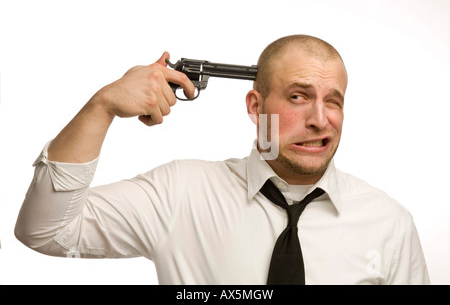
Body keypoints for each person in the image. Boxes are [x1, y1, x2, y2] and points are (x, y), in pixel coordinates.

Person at [14, 35, 430, 284]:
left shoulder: (389, 224)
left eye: (333, 102)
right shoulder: (180, 195)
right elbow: (46, 231)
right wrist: (100, 107)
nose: (320, 120)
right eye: (298, 97)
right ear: (255, 107)